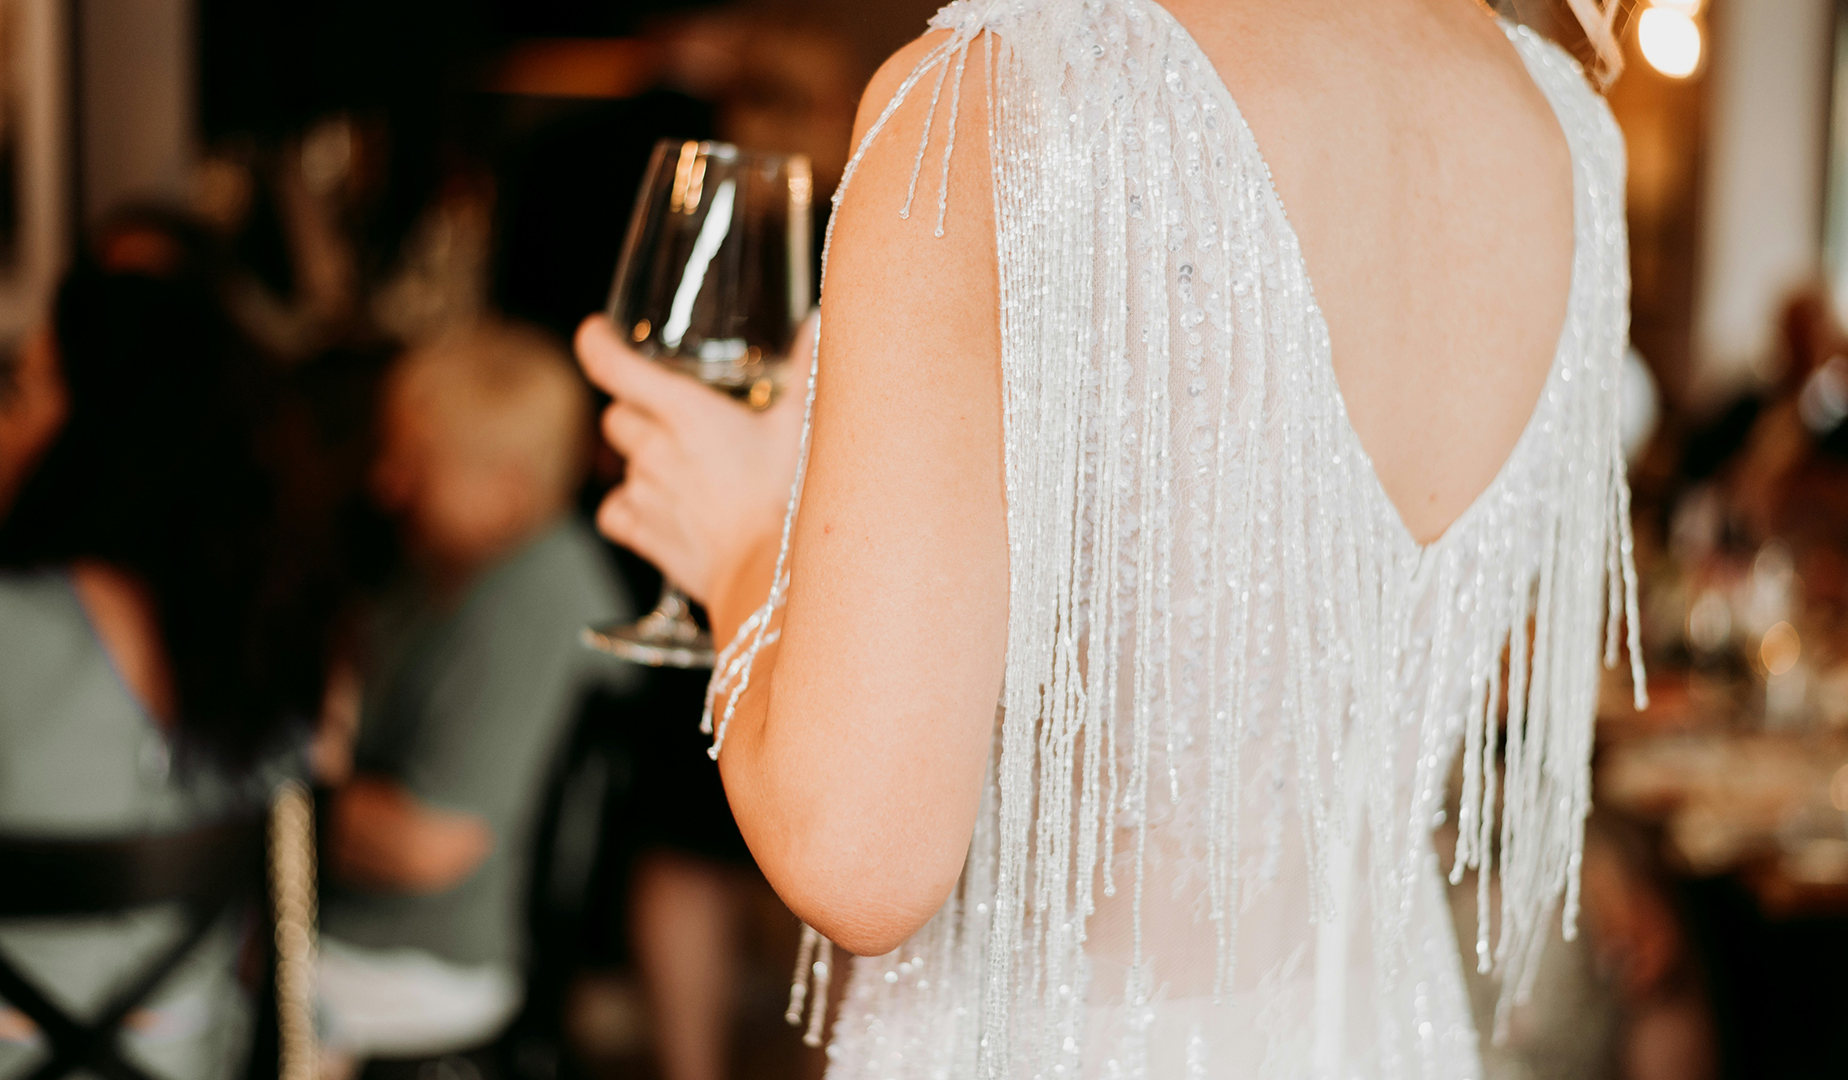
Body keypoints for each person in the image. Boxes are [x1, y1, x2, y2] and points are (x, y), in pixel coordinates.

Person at [578, 0, 1645, 1076]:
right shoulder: (1565, 129)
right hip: (1382, 1036)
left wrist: (740, 538)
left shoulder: (999, 100)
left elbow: (858, 853)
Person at [0, 260, 343, 1080]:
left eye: (18, 389)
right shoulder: (263, 626)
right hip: (195, 1058)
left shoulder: (19, 626)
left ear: (97, 426)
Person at [314, 320, 633, 1078]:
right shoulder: (439, 568)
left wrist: (281, 809)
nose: (386, 481)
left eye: (419, 462)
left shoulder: (536, 596)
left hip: (427, 960)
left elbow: (432, 845)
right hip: (365, 934)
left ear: (509, 486)